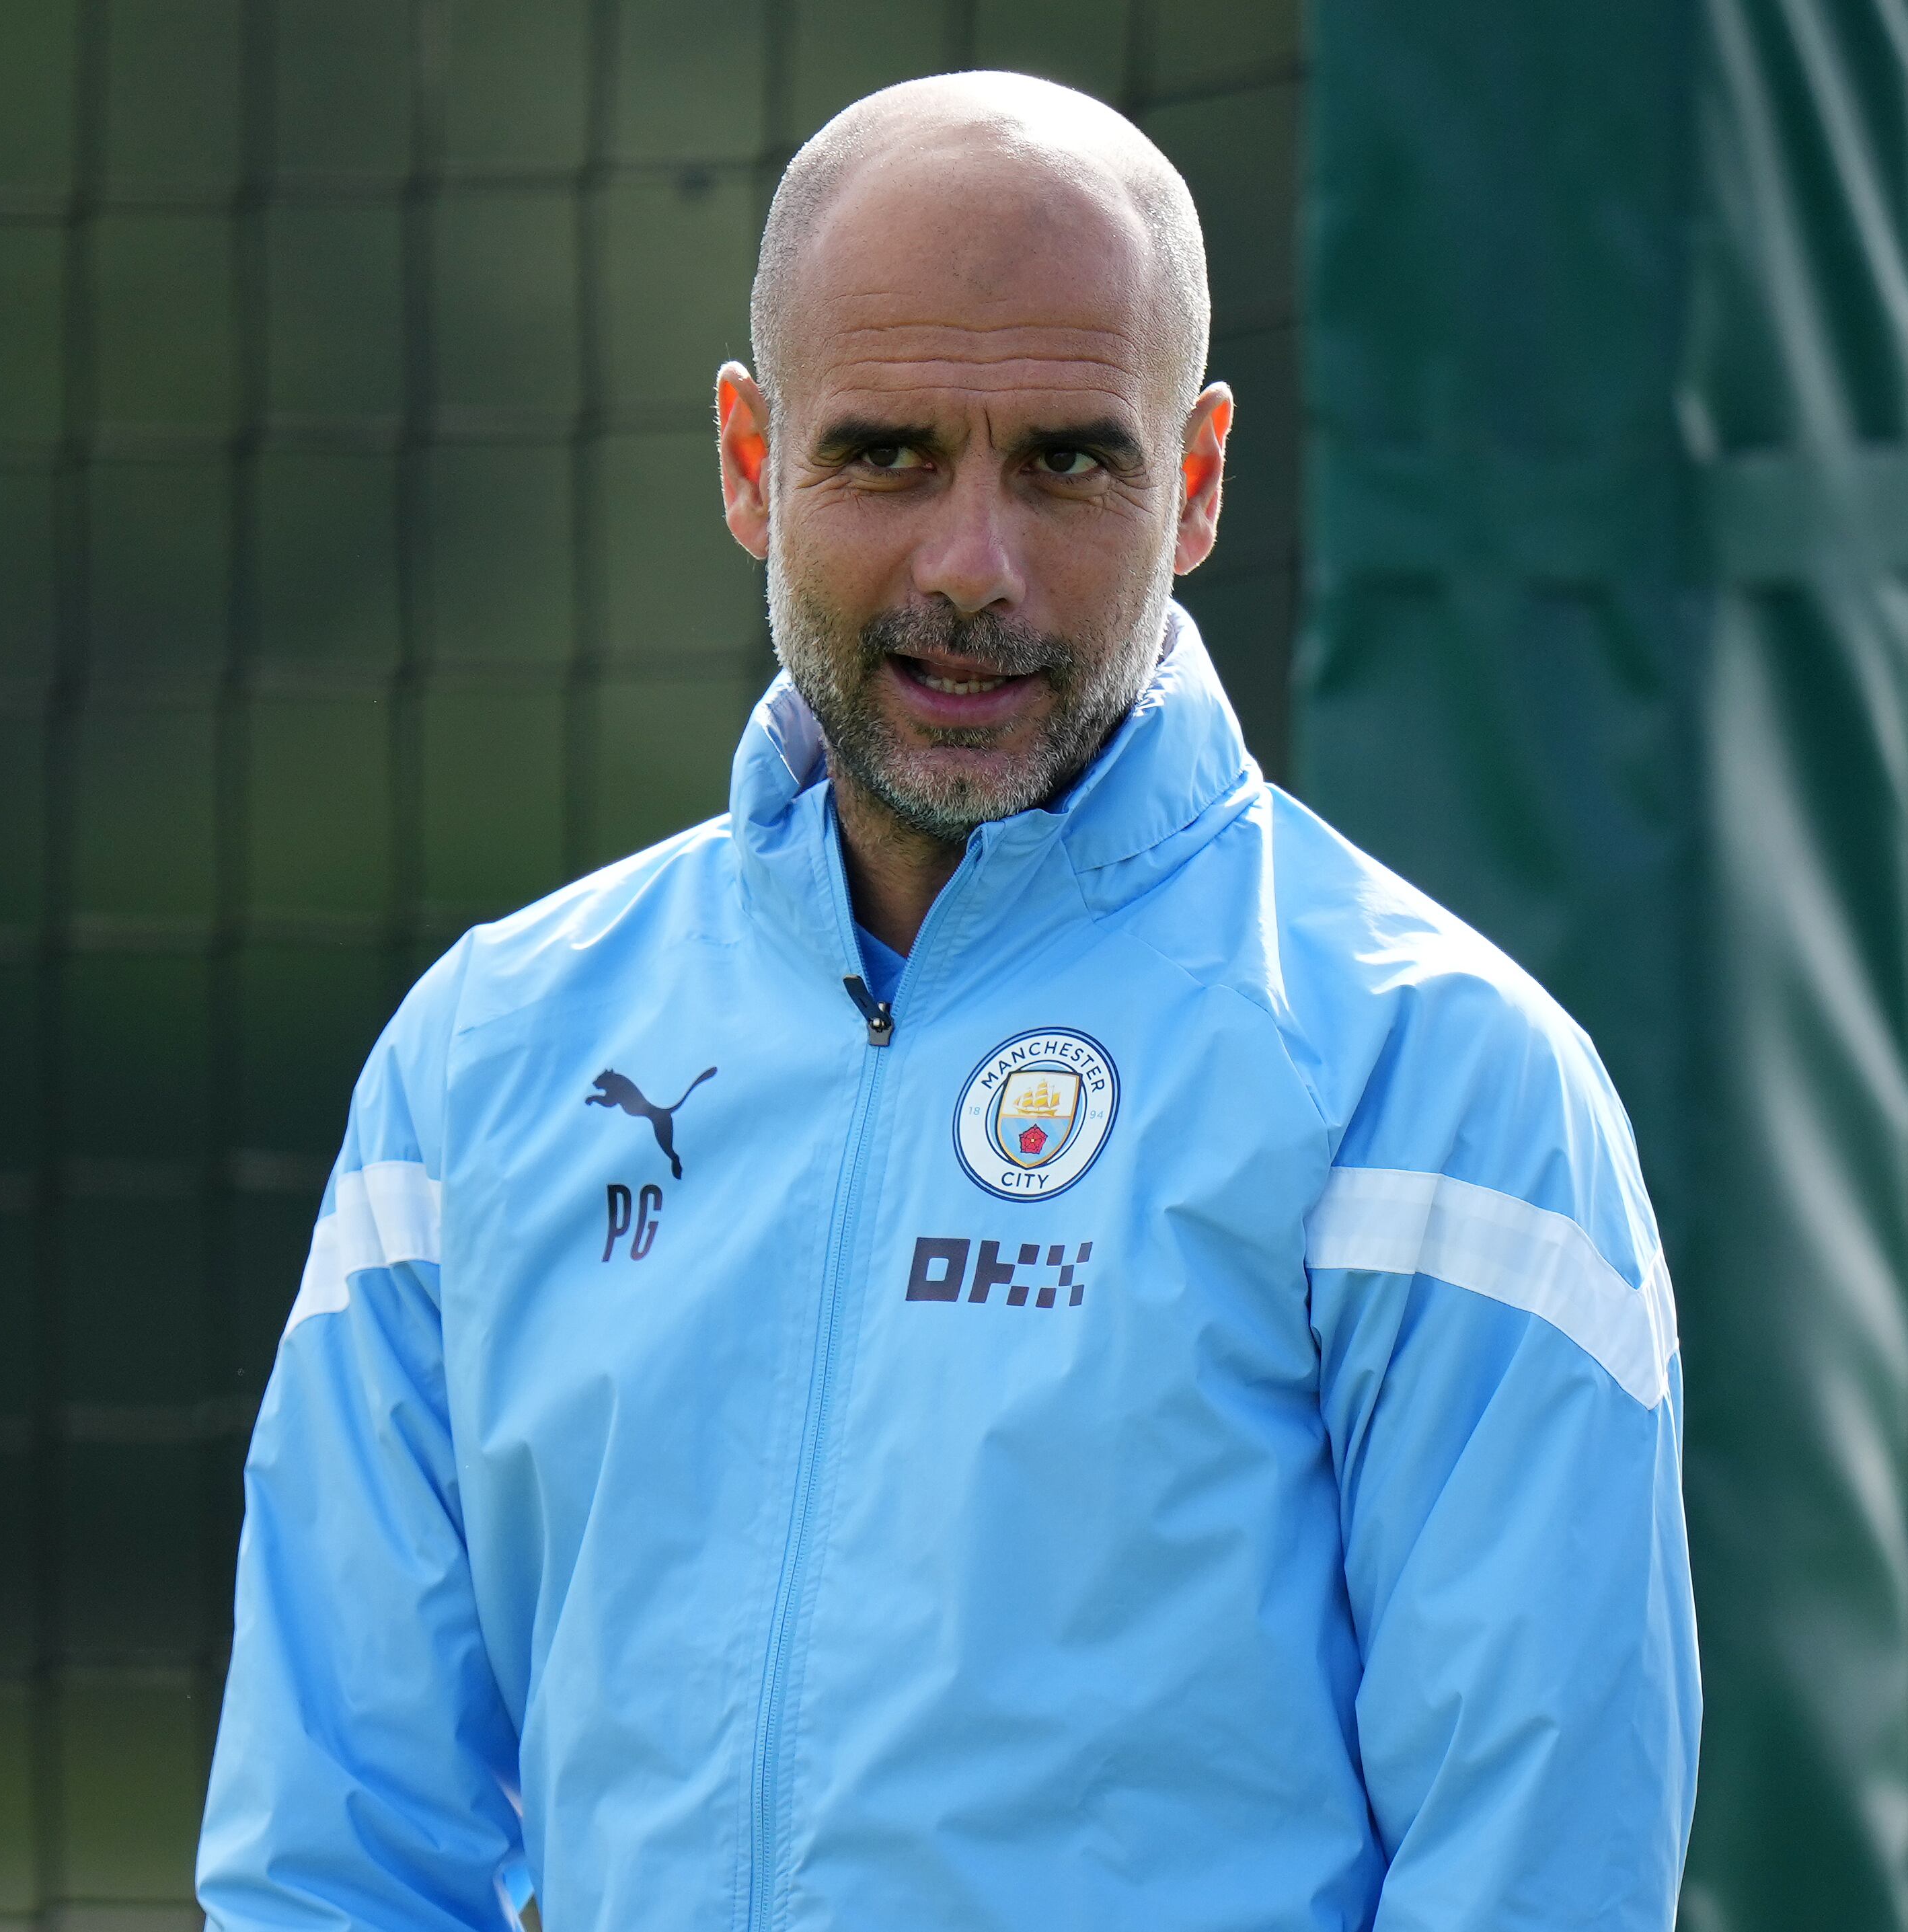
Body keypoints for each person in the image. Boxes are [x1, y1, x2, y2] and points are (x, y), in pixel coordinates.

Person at [196, 72, 1697, 1932]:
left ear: (1200, 478)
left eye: (1068, 460)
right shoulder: (482, 1059)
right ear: (750, 464)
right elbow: (336, 1858)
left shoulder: (1441, 1082)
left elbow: (1535, 1875)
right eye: (886, 452)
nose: (970, 566)